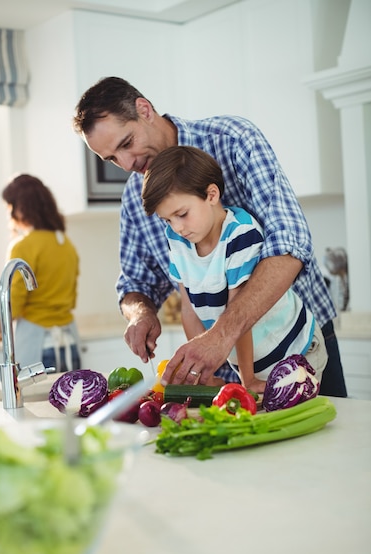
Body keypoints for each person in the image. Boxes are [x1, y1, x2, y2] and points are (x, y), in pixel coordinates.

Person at [73, 76, 347, 397]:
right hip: (228, 368)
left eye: (126, 143)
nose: (127, 163)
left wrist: (220, 336)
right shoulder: (137, 196)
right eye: (111, 158)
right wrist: (141, 314)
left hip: (298, 344)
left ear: (144, 110)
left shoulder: (232, 140)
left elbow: (290, 245)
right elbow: (136, 283)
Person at [142, 146, 328, 392]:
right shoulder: (177, 241)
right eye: (167, 220)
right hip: (251, 362)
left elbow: (240, 315)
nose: (177, 227)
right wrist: (201, 373)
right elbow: (189, 310)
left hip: (296, 350)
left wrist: (247, 381)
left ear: (211, 194)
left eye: (182, 214)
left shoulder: (241, 234)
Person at [0, 174, 81, 372]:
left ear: (20, 208)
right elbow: (70, 298)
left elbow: (13, 302)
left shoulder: (23, 246)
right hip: (70, 343)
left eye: (9, 207)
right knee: (70, 402)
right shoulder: (66, 244)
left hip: (38, 346)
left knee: (34, 404)